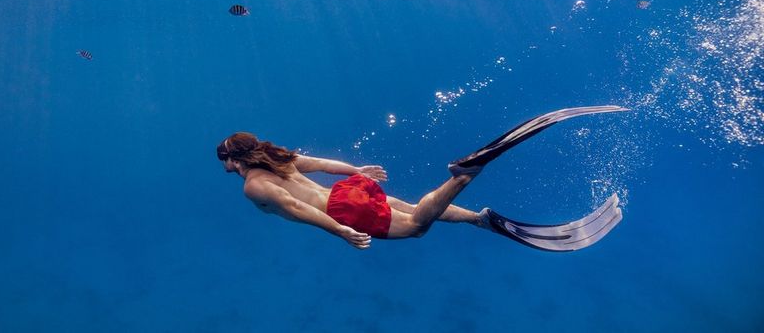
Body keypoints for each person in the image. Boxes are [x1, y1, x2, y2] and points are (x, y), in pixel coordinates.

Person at [216, 106, 628, 251]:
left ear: (234, 160)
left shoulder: (254, 184)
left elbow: (297, 209)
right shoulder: (276, 159)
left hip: (343, 209)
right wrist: (358, 171)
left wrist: (341, 231)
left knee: (415, 226)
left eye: (226, 163)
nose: (227, 170)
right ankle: (480, 218)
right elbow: (322, 163)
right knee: (412, 208)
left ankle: (462, 176)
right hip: (348, 190)